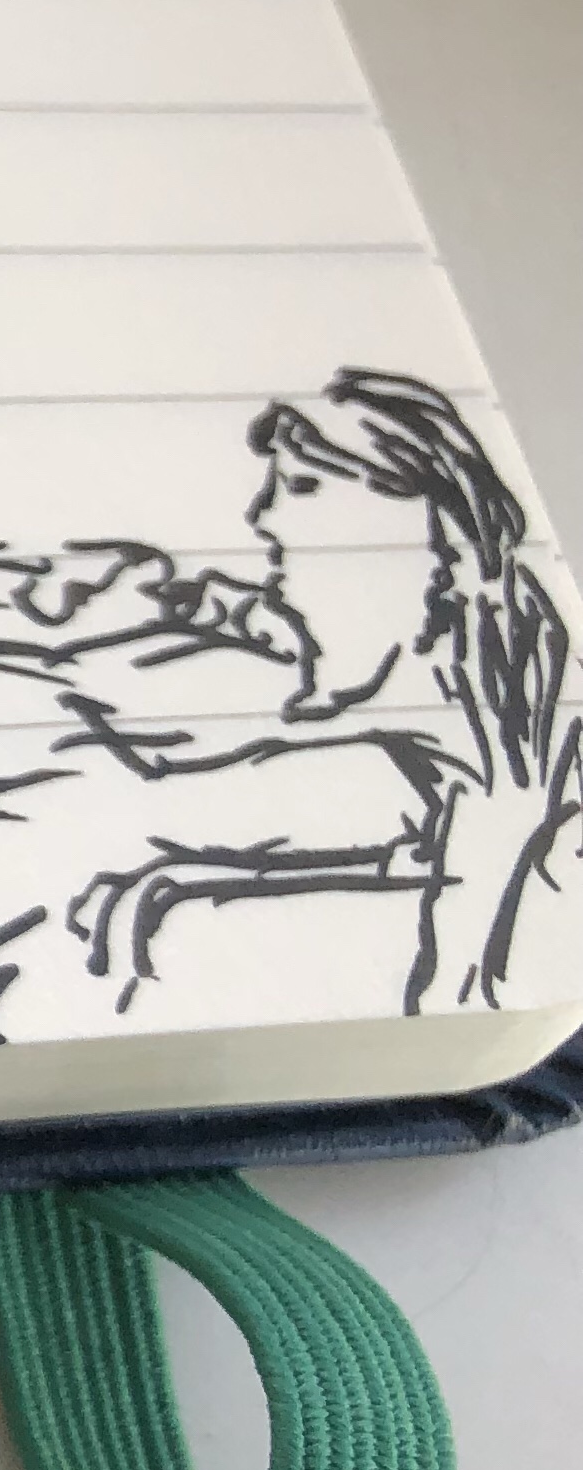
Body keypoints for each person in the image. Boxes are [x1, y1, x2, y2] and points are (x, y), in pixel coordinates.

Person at [48, 371, 578, 1015]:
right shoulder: (469, 759)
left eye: (305, 486)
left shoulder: (542, 816)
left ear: (440, 540)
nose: (263, 518)